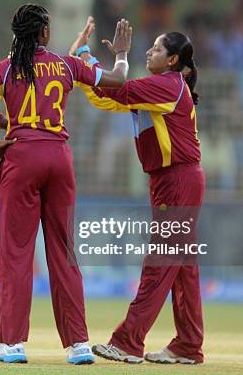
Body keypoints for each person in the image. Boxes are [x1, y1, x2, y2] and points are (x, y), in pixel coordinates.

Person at [0, 3, 132, 365]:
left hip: (21, 157)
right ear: (44, 33)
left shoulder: (4, 69)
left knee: (17, 253)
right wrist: (120, 54)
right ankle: (79, 345)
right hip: (59, 158)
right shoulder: (67, 65)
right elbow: (118, 82)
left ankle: (11, 344)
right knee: (64, 251)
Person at [71, 20, 205, 364]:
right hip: (172, 179)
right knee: (181, 264)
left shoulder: (166, 85)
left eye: (158, 48)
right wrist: (85, 56)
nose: (150, 51)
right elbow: (107, 98)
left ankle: (129, 341)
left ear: (173, 60)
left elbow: (116, 91)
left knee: (161, 260)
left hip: (177, 180)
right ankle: (188, 344)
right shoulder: (161, 86)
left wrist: (114, 56)